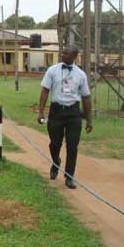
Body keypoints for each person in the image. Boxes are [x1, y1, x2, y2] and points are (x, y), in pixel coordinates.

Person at [38, 45, 93, 189]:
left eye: (66, 54)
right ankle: (56, 162)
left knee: (72, 146)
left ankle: (69, 177)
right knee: (54, 143)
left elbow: (86, 98)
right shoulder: (52, 70)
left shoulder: (81, 75)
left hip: (73, 113)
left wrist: (89, 119)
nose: (62, 55)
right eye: (62, 52)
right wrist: (41, 112)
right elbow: (45, 91)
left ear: (74, 57)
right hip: (56, 111)